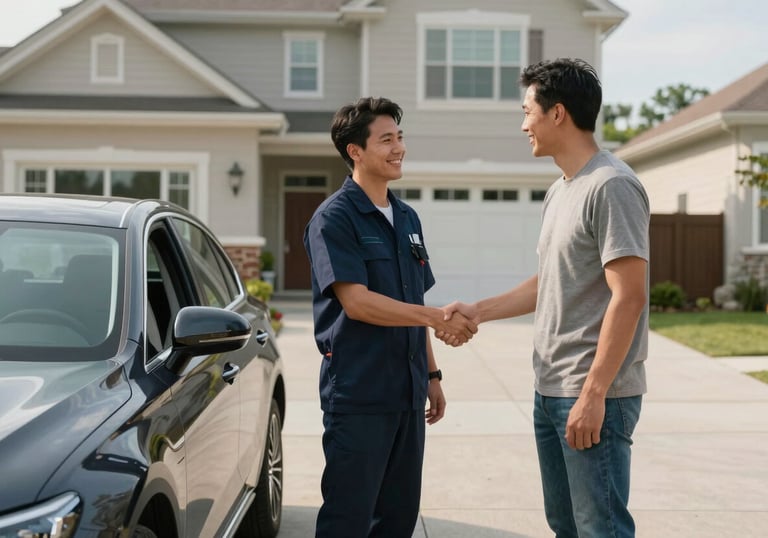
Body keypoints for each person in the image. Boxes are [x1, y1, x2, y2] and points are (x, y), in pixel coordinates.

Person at [443, 58, 650, 538]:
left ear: (557, 113)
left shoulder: (612, 185)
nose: (523, 125)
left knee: (601, 529)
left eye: (527, 111)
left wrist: (594, 393)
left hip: (589, 391)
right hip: (550, 388)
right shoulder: (561, 191)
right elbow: (551, 281)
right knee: (567, 526)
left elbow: (630, 296)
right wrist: (479, 311)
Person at [303, 96, 477, 538]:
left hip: (408, 395)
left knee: (397, 520)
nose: (398, 148)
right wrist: (438, 316)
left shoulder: (407, 217)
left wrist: (433, 376)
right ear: (355, 151)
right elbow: (358, 302)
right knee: (348, 520)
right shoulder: (334, 219)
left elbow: (412, 301)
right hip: (360, 397)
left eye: (399, 137)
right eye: (386, 140)